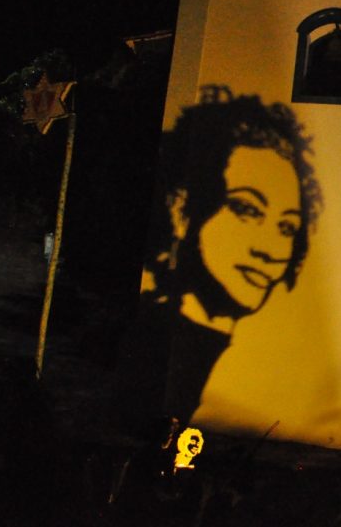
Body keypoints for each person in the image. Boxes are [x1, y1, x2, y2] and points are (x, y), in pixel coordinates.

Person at [118, 85, 322, 429]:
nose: (270, 250)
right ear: (182, 208)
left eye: (287, 228)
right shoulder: (145, 347)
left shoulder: (263, 362)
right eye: (246, 208)